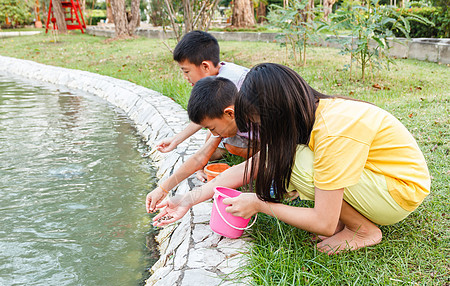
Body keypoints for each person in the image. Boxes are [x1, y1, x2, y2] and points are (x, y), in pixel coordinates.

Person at [152, 63, 431, 255]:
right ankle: (349, 222)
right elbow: (251, 167)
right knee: (287, 157)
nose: (264, 128)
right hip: (382, 182)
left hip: (398, 193)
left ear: (278, 111)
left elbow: (322, 222)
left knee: (295, 162)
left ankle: (363, 231)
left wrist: (259, 205)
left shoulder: (333, 131)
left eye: (262, 120)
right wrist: (187, 199)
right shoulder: (315, 114)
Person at [146, 77, 253, 213]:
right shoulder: (228, 119)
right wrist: (163, 189)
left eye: (212, 127)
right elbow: (200, 157)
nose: (213, 132)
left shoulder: (260, 123)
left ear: (230, 113)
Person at [155, 30, 249, 160]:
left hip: (260, 133)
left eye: (187, 71)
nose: (186, 77)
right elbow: (205, 115)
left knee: (229, 146)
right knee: (212, 134)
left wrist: (202, 160)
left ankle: (258, 158)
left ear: (205, 66)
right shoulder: (221, 72)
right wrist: (176, 140)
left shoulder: (230, 82)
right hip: (236, 124)